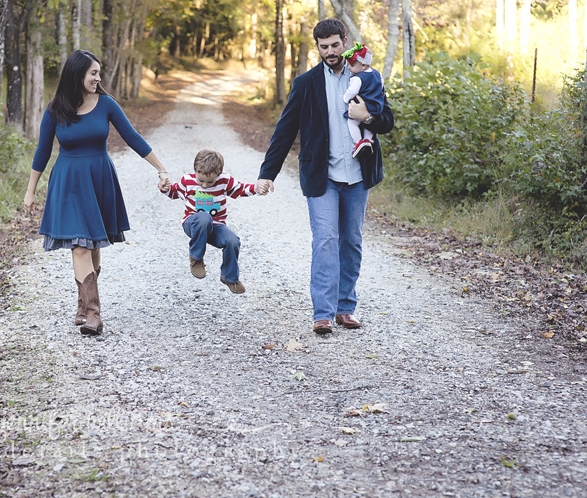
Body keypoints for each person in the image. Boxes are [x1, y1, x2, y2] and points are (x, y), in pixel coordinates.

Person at [256, 18, 394, 335]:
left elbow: (387, 121)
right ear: (317, 47)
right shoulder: (306, 83)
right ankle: (323, 313)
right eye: (324, 47)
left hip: (358, 176)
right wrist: (268, 173)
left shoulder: (364, 75)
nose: (330, 52)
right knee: (326, 241)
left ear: (345, 41)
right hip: (323, 177)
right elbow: (285, 130)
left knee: (352, 241)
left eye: (335, 45)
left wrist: (368, 117)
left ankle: (346, 308)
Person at [23, 50, 170, 335]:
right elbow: (43, 151)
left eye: (98, 73)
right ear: (77, 74)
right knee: (79, 246)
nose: (98, 78)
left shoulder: (107, 104)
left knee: (93, 245)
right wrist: (31, 191)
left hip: (99, 178)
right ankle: (94, 315)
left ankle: (82, 304)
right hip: (68, 182)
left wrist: (161, 168)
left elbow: (133, 138)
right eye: (93, 73)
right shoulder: (55, 109)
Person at [160, 149, 260, 294]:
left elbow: (240, 189)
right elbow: (174, 193)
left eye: (210, 182)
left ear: (219, 175)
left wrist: (256, 188)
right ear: (195, 171)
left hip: (216, 226)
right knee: (204, 217)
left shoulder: (225, 181)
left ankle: (229, 277)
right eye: (201, 181)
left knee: (233, 241)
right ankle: (196, 258)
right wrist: (165, 188)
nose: (205, 185)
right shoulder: (187, 181)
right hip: (193, 223)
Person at [341, 42, 385, 159]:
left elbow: (352, 91)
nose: (349, 67)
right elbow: (381, 86)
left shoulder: (357, 78)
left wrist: (345, 98)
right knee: (367, 124)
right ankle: (368, 140)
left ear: (364, 65)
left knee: (352, 123)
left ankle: (358, 142)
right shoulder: (377, 74)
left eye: (352, 65)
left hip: (360, 106)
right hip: (376, 105)